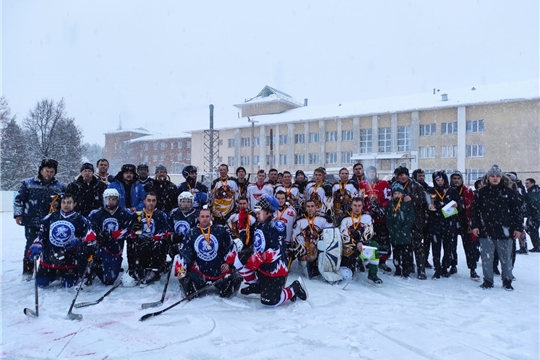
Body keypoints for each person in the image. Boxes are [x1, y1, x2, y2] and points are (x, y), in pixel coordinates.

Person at [237, 194, 308, 305]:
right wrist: (242, 225)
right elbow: (246, 241)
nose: (256, 214)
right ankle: (255, 285)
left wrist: (261, 257)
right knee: (238, 258)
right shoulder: (258, 224)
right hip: (262, 266)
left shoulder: (277, 225)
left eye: (259, 212)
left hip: (275, 268)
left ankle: (294, 288)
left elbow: (278, 249)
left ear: (268, 212)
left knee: (270, 302)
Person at [471, 165, 523, 291]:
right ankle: (488, 280)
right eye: (492, 176)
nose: (495, 178)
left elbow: (517, 212)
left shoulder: (510, 193)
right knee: (487, 258)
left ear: (501, 177)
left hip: (505, 231)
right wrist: (475, 226)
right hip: (485, 231)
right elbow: (475, 211)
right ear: (488, 178)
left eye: (497, 176)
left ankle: (507, 280)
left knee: (506, 258)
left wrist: (518, 228)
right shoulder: (481, 193)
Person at [173, 208, 243, 298]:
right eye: (202, 216)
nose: (205, 219)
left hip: (219, 270)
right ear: (198, 218)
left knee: (231, 285)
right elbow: (184, 253)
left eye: (207, 216)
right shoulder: (191, 233)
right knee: (192, 292)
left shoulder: (220, 230)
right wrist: (181, 270)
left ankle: (222, 283)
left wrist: (228, 263)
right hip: (199, 270)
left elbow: (231, 248)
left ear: (211, 218)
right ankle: (198, 283)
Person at [14, 158, 66, 276]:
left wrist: (59, 204)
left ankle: (48, 270)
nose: (49, 174)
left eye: (52, 171)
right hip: (31, 221)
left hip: (51, 222)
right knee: (30, 244)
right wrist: (18, 214)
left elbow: (66, 201)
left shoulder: (61, 186)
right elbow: (19, 200)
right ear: (41, 170)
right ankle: (28, 270)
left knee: (51, 246)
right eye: (47, 171)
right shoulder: (28, 183)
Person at [26, 193, 89, 287]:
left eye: (69, 202)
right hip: (49, 257)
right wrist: (37, 244)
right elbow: (42, 234)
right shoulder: (50, 217)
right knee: (41, 283)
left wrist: (79, 240)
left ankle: (62, 273)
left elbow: (88, 236)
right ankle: (54, 273)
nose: (66, 205)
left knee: (68, 284)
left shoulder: (81, 219)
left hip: (69, 258)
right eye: (64, 202)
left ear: (74, 204)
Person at [78, 188, 135, 285]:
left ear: (117, 200)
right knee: (83, 247)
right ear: (104, 199)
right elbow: (90, 229)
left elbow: (130, 230)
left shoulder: (125, 213)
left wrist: (112, 235)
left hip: (114, 248)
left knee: (108, 280)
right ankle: (89, 269)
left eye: (113, 199)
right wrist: (95, 238)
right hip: (99, 246)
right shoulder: (95, 213)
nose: (111, 201)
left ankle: (99, 267)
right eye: (108, 199)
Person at [126, 192, 170, 285]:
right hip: (141, 243)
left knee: (160, 243)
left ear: (156, 202)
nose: (151, 203)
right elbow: (130, 232)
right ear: (144, 201)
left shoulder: (160, 215)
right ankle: (133, 267)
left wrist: (153, 238)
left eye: (153, 201)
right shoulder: (137, 214)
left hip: (155, 243)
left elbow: (165, 230)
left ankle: (155, 270)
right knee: (131, 242)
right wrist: (134, 231)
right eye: (149, 200)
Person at [393, 166, 428, 280]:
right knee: (403, 246)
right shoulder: (394, 185)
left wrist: (412, 198)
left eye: (405, 174)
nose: (403, 177)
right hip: (400, 221)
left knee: (418, 246)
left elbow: (424, 200)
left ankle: (421, 270)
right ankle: (406, 268)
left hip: (415, 220)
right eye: (400, 175)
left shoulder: (416, 185)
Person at [339, 197, 382, 284]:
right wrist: (355, 244)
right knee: (348, 273)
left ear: (362, 206)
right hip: (349, 246)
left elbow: (369, 232)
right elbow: (344, 236)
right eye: (355, 205)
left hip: (363, 245)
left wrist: (361, 242)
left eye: (359, 205)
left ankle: (373, 274)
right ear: (351, 206)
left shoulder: (367, 217)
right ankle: (357, 262)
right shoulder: (344, 218)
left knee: (374, 246)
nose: (357, 208)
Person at [427, 171, 462, 279]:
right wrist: (428, 208)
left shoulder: (452, 191)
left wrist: (457, 205)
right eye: (437, 180)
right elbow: (425, 205)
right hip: (435, 224)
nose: (440, 182)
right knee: (436, 248)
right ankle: (437, 269)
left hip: (449, 223)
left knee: (448, 248)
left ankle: (445, 267)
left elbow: (460, 205)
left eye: (442, 180)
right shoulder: (430, 191)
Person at [359, 166, 392, 273]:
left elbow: (388, 198)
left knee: (383, 239)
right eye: (370, 172)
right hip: (368, 217)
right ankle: (368, 259)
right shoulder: (362, 184)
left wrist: (382, 207)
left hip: (380, 217)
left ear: (376, 173)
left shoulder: (383, 183)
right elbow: (359, 199)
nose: (372, 174)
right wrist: (364, 210)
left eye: (373, 172)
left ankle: (382, 261)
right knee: (368, 238)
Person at [290, 200, 334, 278]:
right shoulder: (299, 221)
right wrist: (302, 253)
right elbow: (295, 239)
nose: (310, 209)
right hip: (306, 252)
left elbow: (330, 234)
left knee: (320, 274)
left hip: (320, 251)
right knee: (310, 275)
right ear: (305, 208)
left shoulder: (324, 219)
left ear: (316, 207)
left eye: (312, 206)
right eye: (308, 206)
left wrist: (315, 243)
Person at [450, 171, 480, 279]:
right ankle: (453, 265)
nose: (456, 180)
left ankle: (472, 269)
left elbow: (473, 208)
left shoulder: (468, 191)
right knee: (451, 246)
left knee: (469, 247)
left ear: (462, 179)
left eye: (458, 178)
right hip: (451, 222)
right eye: (454, 178)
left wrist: (471, 223)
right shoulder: (448, 191)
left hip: (465, 222)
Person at [385, 184, 415, 278]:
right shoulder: (390, 204)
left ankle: (406, 269)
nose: (397, 195)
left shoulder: (407, 204)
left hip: (405, 233)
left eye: (399, 193)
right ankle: (397, 268)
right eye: (395, 193)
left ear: (402, 194)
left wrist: (406, 228)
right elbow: (387, 218)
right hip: (394, 233)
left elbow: (411, 217)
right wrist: (391, 229)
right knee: (396, 252)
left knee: (406, 252)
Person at [412, 168, 433, 269]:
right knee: (415, 242)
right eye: (419, 176)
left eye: (423, 176)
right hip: (415, 218)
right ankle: (413, 261)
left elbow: (429, 202)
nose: (422, 178)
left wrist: (428, 211)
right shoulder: (412, 187)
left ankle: (425, 260)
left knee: (427, 241)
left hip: (426, 218)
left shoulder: (427, 188)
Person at [168, 191, 200, 256]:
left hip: (191, 243)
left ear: (192, 202)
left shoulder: (197, 214)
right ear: (179, 202)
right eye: (183, 201)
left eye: (188, 202)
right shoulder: (174, 213)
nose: (186, 204)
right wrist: (172, 236)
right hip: (175, 243)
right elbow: (168, 228)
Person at [227, 197, 256, 263]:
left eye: (244, 203)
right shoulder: (233, 216)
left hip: (250, 244)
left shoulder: (253, 215)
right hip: (237, 243)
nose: (242, 205)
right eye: (240, 203)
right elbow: (228, 228)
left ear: (248, 204)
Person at [524, 178, 540, 252]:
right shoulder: (532, 191)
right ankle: (537, 245)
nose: (526, 185)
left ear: (532, 184)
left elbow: (533, 202)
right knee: (530, 229)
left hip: (535, 215)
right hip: (533, 214)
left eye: (527, 183)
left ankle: (537, 246)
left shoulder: (534, 192)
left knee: (532, 229)